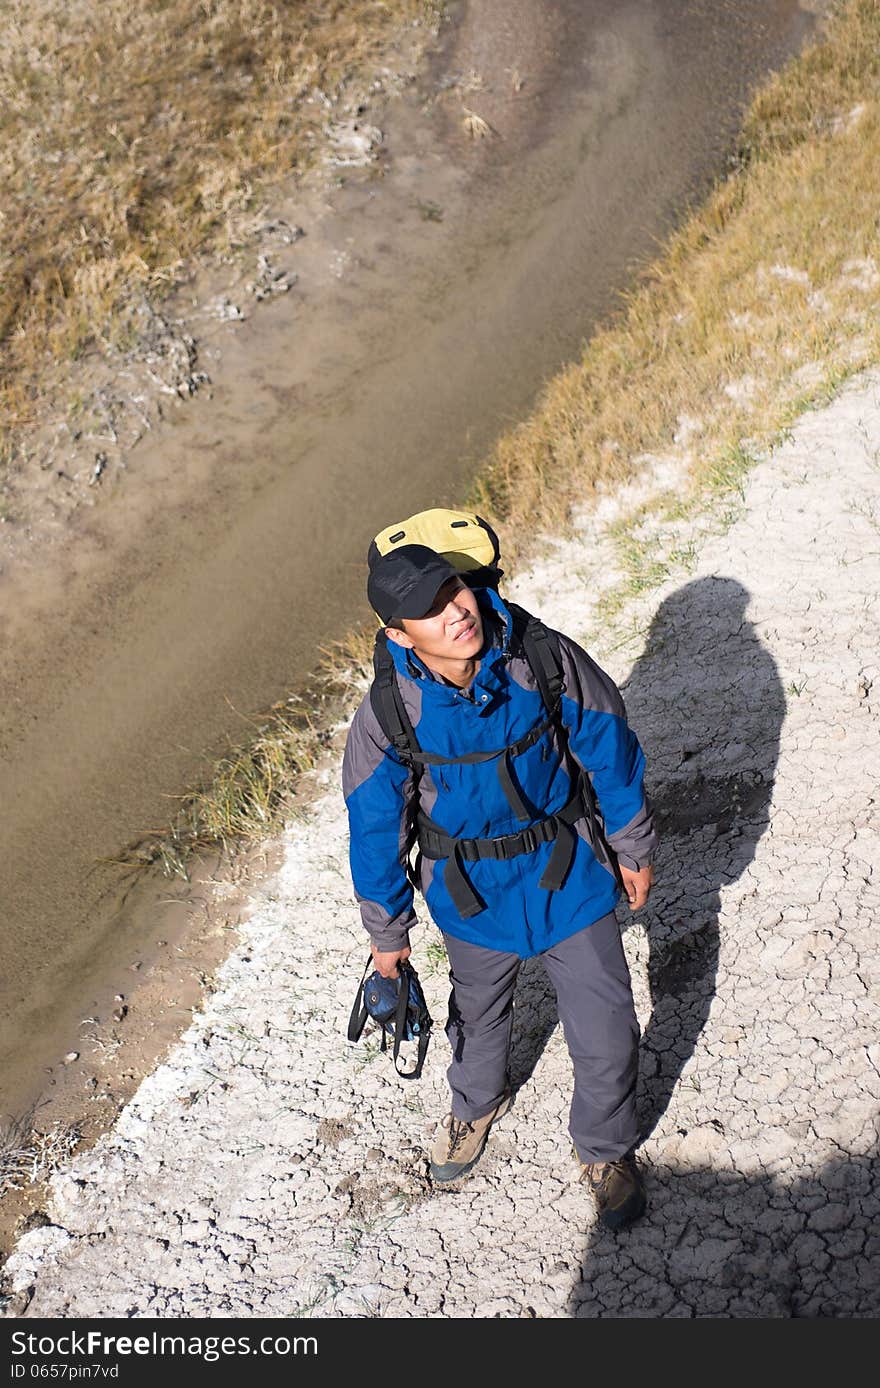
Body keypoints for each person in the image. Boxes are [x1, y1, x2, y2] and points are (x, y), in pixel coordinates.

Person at [342, 542, 657, 1229]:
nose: (455, 611)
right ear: (399, 635)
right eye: (428, 609)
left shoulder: (540, 658)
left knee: (606, 1025)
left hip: (567, 872)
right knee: (478, 1016)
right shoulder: (388, 713)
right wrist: (387, 942)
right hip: (467, 893)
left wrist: (632, 846)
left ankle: (604, 1151)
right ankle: (475, 1104)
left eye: (452, 589)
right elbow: (373, 831)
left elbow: (610, 745)